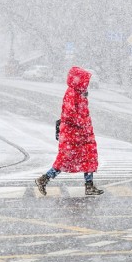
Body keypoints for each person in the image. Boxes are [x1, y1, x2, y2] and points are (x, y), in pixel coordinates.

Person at [35, 66, 104, 196]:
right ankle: (44, 179)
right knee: (65, 159)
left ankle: (89, 186)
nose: (87, 83)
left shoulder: (79, 92)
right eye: (85, 80)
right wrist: (83, 124)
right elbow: (69, 115)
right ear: (78, 80)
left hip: (82, 133)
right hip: (73, 134)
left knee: (89, 157)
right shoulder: (72, 93)